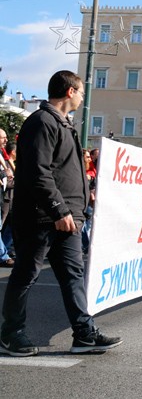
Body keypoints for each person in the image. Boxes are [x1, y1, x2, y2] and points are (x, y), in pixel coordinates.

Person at [1, 70, 122, 356]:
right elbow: (37, 172)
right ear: (70, 91)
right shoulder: (42, 122)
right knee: (26, 274)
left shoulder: (63, 124)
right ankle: (10, 333)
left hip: (66, 219)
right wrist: (59, 209)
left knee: (72, 276)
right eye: (80, 92)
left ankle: (84, 334)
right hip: (42, 218)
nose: (82, 97)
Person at [0, 129, 14, 268]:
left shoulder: (2, 156)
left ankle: (4, 254)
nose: (5, 140)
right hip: (5, 198)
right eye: (2, 138)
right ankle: (3, 255)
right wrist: (5, 173)